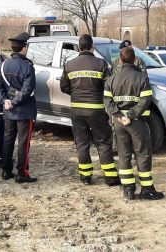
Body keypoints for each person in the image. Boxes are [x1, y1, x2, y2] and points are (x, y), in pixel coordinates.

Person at [104, 47, 164, 200]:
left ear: (121, 60)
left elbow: (107, 101)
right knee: (143, 154)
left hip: (119, 123)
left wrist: (119, 115)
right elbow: (146, 100)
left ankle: (128, 190)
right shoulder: (142, 78)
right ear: (135, 60)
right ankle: (147, 189)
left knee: (124, 154)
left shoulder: (111, 80)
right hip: (136, 122)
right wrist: (130, 115)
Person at [60, 34, 120, 186]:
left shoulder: (69, 64)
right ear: (92, 46)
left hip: (77, 110)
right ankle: (110, 177)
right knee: (103, 142)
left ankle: (85, 177)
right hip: (96, 110)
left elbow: (64, 87)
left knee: (82, 143)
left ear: (79, 47)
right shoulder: (101, 64)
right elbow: (109, 86)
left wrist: (76, 94)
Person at [0, 32, 37, 183]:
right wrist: (15, 101)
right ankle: (22, 173)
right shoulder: (27, 66)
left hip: (8, 110)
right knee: (23, 143)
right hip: (24, 111)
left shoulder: (3, 65)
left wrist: (5, 101)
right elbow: (28, 90)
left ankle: (6, 171)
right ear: (24, 48)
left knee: (8, 140)